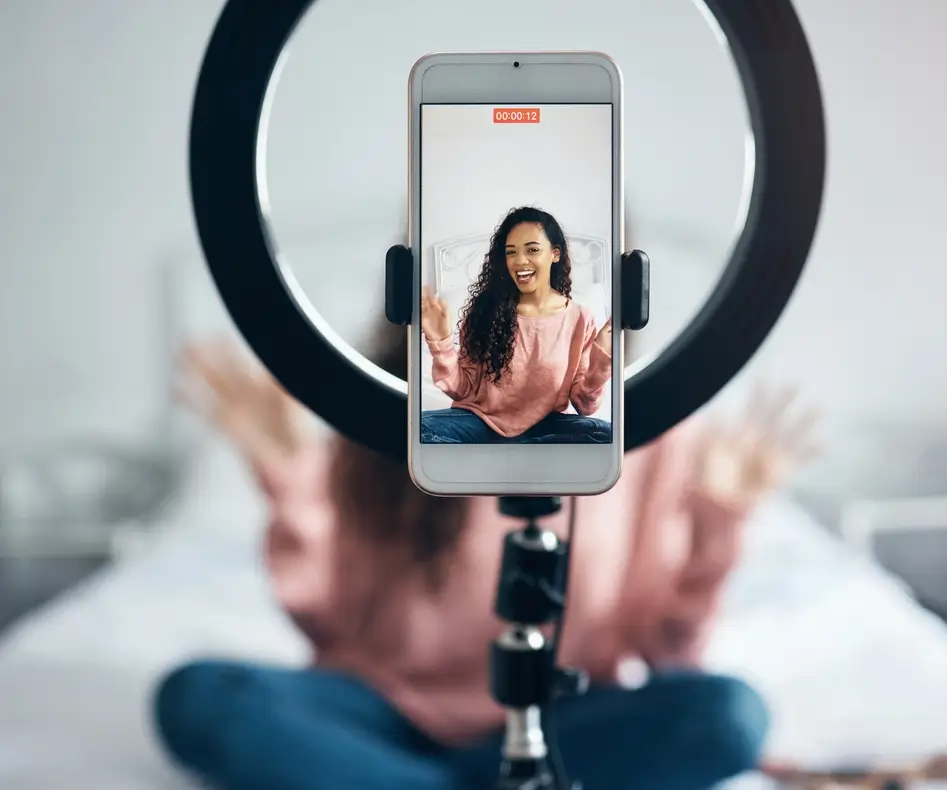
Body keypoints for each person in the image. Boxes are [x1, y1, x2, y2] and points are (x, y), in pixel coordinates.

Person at [153, 325, 820, 790]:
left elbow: (669, 657)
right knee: (202, 699)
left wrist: (718, 527)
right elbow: (333, 628)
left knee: (729, 718)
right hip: (386, 716)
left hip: (564, 717)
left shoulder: (649, 429)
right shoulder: (381, 409)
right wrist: (292, 478)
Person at [421, 206, 613, 444]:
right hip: (478, 422)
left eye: (532, 249)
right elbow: (463, 389)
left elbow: (584, 406)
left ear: (555, 254)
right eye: (511, 252)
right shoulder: (485, 310)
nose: (520, 261)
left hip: (545, 427)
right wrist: (441, 345)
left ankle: (503, 458)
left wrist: (601, 363)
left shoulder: (581, 320)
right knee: (416, 429)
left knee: (606, 434)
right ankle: (519, 458)